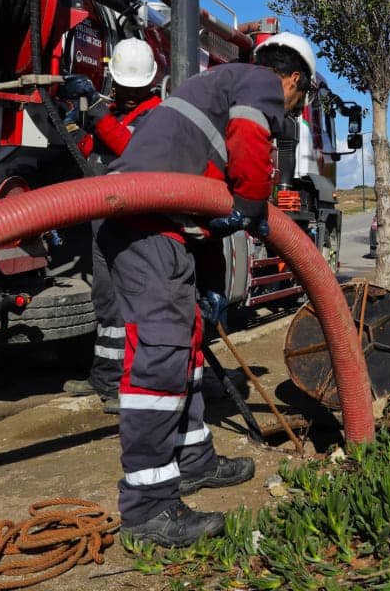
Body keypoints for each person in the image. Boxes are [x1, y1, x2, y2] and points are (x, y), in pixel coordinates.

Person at [96, 32, 316, 547]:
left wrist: (215, 272)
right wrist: (255, 202)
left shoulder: (215, 83)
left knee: (187, 347)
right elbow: (249, 141)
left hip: (157, 226)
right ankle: (147, 508)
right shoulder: (260, 82)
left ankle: (194, 460)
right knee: (161, 358)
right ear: (293, 81)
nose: (289, 113)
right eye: (297, 104)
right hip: (147, 227)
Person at [60, 38, 163, 413]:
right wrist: (72, 127)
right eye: (124, 88)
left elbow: (129, 150)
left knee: (131, 305)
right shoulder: (116, 113)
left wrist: (98, 114)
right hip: (103, 220)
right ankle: (104, 377)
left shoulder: (157, 116)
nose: (129, 95)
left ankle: (127, 385)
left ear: (151, 84)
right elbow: (95, 153)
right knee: (106, 302)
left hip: (134, 224)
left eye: (135, 88)